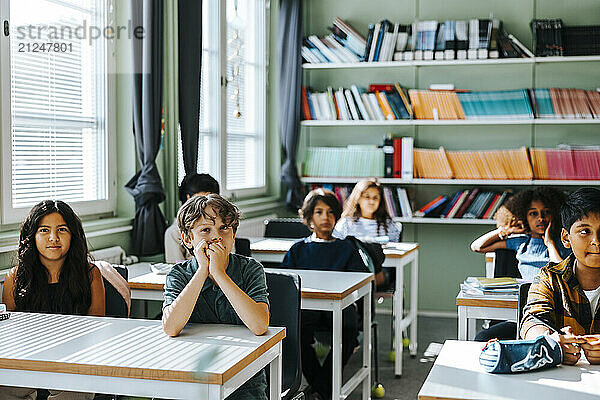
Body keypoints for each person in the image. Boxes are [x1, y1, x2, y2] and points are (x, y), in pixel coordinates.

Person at [161, 194, 270, 400]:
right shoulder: (178, 275)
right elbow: (171, 327)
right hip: (190, 374)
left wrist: (219, 274)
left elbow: (259, 325)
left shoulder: (251, 269)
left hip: (244, 380)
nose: (216, 237)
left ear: (233, 235)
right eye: (205, 230)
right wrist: (203, 270)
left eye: (224, 228)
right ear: (187, 239)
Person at [0, 200, 105, 400]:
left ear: (73, 235)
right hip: (27, 364)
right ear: (32, 236)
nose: (53, 238)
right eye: (44, 230)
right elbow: (9, 335)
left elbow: (97, 330)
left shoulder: (91, 274)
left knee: (73, 391)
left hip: (76, 364)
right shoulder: (14, 278)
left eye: (62, 230)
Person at [282, 188, 369, 400]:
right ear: (309, 217)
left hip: (342, 308)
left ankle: (320, 388)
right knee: (295, 335)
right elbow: (286, 285)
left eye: (331, 212)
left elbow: (361, 279)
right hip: (307, 308)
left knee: (348, 333)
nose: (326, 218)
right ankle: (323, 389)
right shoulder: (297, 249)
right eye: (319, 212)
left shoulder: (347, 248)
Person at [470, 187, 571, 341]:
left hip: (554, 311)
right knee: (483, 337)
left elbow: (562, 273)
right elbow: (477, 246)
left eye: (546, 212)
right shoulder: (521, 242)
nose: (541, 219)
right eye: (533, 213)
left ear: (555, 214)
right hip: (524, 309)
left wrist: (550, 243)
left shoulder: (562, 243)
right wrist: (506, 230)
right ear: (525, 216)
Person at [521, 187, 600, 365]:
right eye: (585, 231)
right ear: (566, 238)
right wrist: (551, 341)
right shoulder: (549, 277)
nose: (596, 241)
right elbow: (532, 320)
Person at [164, 173, 220, 263]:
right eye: (201, 199)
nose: (206, 205)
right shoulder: (174, 232)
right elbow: (176, 270)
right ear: (188, 198)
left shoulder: (224, 227)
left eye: (212, 200)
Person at [333, 178, 402, 242]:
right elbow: (336, 247)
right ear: (358, 199)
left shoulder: (388, 224)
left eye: (376, 198)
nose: (371, 201)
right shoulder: (346, 224)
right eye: (367, 197)